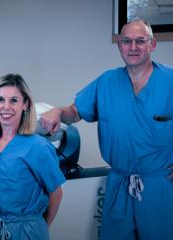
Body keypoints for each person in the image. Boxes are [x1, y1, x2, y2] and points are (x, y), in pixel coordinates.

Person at [41, 19, 173, 240]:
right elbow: (76, 111)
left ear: (152, 44)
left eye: (140, 41)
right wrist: (58, 112)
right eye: (126, 41)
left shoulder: (170, 80)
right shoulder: (107, 82)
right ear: (119, 45)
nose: (133, 47)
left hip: (161, 186)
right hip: (119, 184)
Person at [0, 73, 65, 239]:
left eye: (14, 100)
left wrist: (40, 228)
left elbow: (56, 194)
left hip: (27, 232)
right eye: (0, 99)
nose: (6, 106)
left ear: (25, 105)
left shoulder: (38, 147)